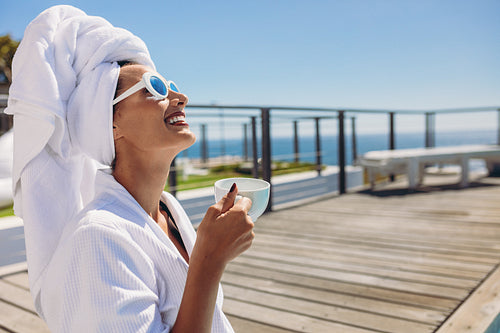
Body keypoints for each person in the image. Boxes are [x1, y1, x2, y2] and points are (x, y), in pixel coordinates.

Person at [6, 5, 254, 332]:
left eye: (172, 85)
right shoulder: (99, 237)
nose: (181, 97)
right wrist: (209, 260)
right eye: (155, 88)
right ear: (110, 124)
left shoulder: (168, 210)